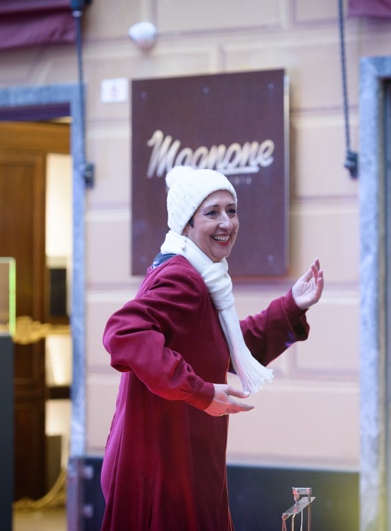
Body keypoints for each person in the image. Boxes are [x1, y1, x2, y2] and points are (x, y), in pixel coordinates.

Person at [99, 166, 324, 531]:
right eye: (212, 212)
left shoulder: (198, 273)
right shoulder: (184, 277)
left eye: (231, 210)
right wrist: (199, 391)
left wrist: (291, 307)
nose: (227, 223)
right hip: (168, 468)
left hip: (176, 461)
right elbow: (124, 331)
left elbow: (225, 345)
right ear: (186, 224)